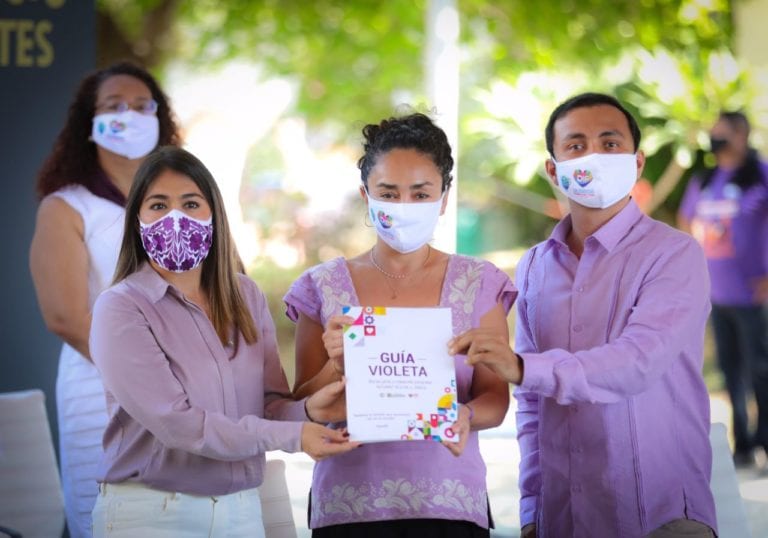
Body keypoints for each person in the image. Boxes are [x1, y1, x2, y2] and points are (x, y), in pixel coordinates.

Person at [450, 93, 717, 538]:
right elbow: (532, 405)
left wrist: (520, 367)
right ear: (553, 170)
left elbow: (637, 362)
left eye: (610, 143)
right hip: (562, 515)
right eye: (575, 145)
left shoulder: (674, 254)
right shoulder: (536, 264)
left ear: (636, 162)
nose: (593, 154)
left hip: (661, 514)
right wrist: (533, 506)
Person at [88, 146, 358, 537]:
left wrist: (309, 412)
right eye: (158, 205)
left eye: (191, 203)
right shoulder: (121, 308)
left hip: (242, 512)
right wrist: (296, 436)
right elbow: (179, 425)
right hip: (153, 513)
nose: (175, 218)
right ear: (137, 220)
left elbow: (266, 406)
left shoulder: (245, 296)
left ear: (214, 214)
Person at [283, 112, 516, 537]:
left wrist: (463, 415)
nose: (403, 206)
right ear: (365, 195)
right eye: (388, 193)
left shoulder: (479, 284)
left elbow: (494, 400)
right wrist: (336, 367)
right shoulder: (322, 287)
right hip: (348, 506)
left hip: (449, 506)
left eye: (420, 193)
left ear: (444, 198)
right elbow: (300, 404)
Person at [29, 61, 181, 537]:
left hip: (189, 393)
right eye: (114, 106)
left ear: (160, 118)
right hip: (100, 393)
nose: (129, 115)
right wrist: (152, 378)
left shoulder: (187, 198)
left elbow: (228, 282)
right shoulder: (67, 206)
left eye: (141, 106)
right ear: (88, 124)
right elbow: (66, 316)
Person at [678, 111, 768, 467]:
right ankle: (743, 444)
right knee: (731, 371)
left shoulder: (759, 176)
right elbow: (686, 220)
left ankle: (765, 440)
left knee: (761, 369)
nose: (716, 140)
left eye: (723, 134)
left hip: (753, 294)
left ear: (742, 135)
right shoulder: (705, 179)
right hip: (716, 294)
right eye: (712, 134)